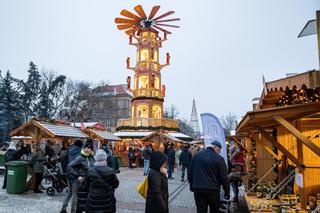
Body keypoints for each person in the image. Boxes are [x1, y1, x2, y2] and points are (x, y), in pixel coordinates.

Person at [188, 140, 230, 213]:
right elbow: (224, 177)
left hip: (198, 189)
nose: (220, 152)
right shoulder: (219, 159)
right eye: (219, 149)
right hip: (213, 190)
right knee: (214, 210)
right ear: (214, 147)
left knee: (201, 210)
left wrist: (192, 185)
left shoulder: (196, 156)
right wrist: (227, 192)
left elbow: (190, 172)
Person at [67, 140, 95, 213]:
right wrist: (77, 176)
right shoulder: (80, 158)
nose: (86, 149)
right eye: (85, 148)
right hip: (79, 182)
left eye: (88, 148)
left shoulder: (92, 158)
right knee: (76, 198)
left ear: (91, 150)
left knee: (86, 198)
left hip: (89, 182)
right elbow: (69, 166)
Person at [60, 139, 83, 213]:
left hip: (68, 174)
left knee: (70, 192)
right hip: (76, 175)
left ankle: (63, 208)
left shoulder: (68, 150)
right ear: (80, 146)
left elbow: (62, 161)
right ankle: (73, 210)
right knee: (75, 194)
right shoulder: (80, 152)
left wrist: (65, 171)